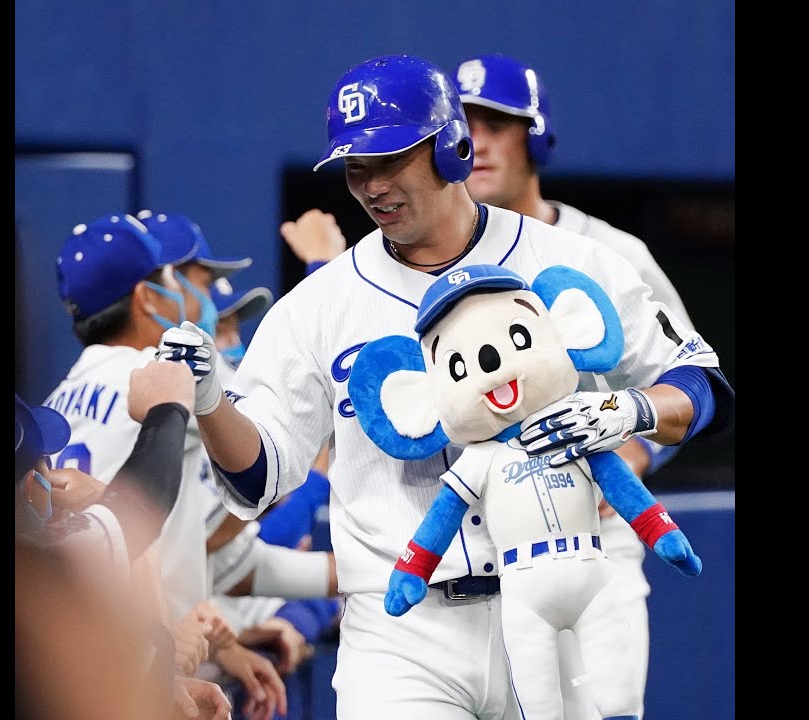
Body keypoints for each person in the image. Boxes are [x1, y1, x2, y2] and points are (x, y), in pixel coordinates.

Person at [158, 54, 733, 720]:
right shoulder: (318, 305)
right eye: (355, 167)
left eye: (390, 158)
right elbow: (258, 477)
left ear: (449, 147)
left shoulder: (567, 258)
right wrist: (210, 402)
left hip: (555, 604)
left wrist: (627, 409)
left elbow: (702, 381)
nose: (372, 185)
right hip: (401, 632)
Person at [454, 52, 696, 718]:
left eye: (497, 125)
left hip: (595, 542)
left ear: (534, 136)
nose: (478, 143)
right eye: (464, 126)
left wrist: (636, 455)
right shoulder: (436, 262)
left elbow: (689, 377)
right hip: (479, 548)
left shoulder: (609, 252)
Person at [46, 211, 288, 720]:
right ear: (145, 297)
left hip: (84, 663)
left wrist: (223, 645)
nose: (180, 291)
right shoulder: (164, 372)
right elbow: (275, 450)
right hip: (147, 666)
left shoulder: (55, 404)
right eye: (170, 279)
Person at [15, 365, 233, 720]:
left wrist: (157, 680)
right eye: (44, 465)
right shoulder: (42, 574)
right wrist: (168, 407)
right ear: (31, 488)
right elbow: (140, 505)